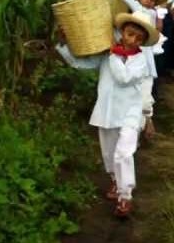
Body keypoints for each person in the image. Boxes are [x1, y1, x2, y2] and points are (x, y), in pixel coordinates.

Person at [55, 12, 159, 217]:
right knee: (109, 153)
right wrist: (64, 44)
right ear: (122, 33)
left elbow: (123, 77)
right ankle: (115, 180)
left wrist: (112, 53)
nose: (133, 40)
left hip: (130, 111)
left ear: (143, 43)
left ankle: (125, 196)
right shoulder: (107, 54)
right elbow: (80, 64)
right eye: (130, 34)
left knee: (124, 153)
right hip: (107, 110)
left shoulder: (139, 61)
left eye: (139, 38)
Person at [116, 0, 170, 139]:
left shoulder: (148, 13)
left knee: (144, 97)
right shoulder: (138, 16)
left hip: (145, 63)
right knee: (135, 99)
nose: (148, 1)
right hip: (136, 60)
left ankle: (146, 121)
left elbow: (136, 7)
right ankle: (139, 129)